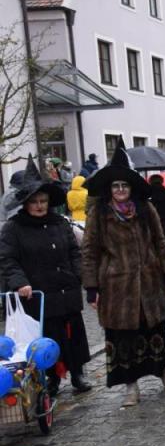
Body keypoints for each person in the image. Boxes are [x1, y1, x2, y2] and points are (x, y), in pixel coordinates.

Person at [80, 139, 165, 407]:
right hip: (117, 287)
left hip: (149, 282)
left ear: (131, 188)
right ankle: (131, 386)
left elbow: (160, 241)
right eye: (115, 186)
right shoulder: (99, 214)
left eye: (124, 185)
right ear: (109, 190)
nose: (120, 190)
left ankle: (162, 371)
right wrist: (91, 287)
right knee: (123, 339)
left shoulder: (146, 209)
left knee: (154, 331)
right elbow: (89, 250)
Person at [0, 155, 91, 396]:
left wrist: (77, 273)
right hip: (38, 294)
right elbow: (7, 259)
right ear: (26, 203)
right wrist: (20, 282)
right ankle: (51, 378)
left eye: (43, 201)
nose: (40, 206)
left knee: (73, 336)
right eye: (35, 201)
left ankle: (78, 373)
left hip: (66, 291)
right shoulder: (14, 228)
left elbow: (74, 250)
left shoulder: (59, 223)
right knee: (47, 338)